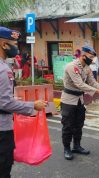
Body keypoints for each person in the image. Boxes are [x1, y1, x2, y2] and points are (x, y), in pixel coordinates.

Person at [0, 26, 47, 178]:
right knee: (3, 168)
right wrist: (32, 105)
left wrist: (12, 99)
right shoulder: (3, 69)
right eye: (14, 44)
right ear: (4, 45)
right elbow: (4, 104)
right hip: (2, 129)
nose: (17, 48)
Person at [60, 46, 99, 160]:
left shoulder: (87, 68)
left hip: (79, 100)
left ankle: (76, 146)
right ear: (83, 55)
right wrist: (97, 92)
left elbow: (92, 82)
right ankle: (67, 148)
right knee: (68, 126)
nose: (92, 60)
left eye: (93, 58)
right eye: (90, 57)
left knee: (79, 125)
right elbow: (79, 84)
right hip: (68, 100)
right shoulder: (72, 66)